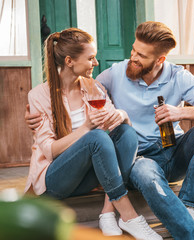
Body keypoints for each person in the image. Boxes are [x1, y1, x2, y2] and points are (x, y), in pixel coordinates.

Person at [26, 22, 194, 239]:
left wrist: (179, 113)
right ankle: (136, 217)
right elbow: (67, 95)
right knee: (114, 146)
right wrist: (34, 116)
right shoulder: (113, 75)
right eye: (133, 49)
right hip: (137, 160)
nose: (132, 57)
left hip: (173, 149)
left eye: (141, 55)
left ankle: (190, 202)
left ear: (160, 60)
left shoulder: (176, 76)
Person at [25, 28, 162, 240]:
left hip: (88, 177)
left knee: (126, 132)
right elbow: (50, 151)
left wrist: (122, 114)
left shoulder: (94, 88)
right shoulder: (39, 96)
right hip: (56, 179)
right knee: (96, 137)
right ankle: (128, 214)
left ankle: (108, 212)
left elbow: (113, 123)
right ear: (69, 61)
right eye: (90, 58)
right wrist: (87, 127)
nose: (96, 63)